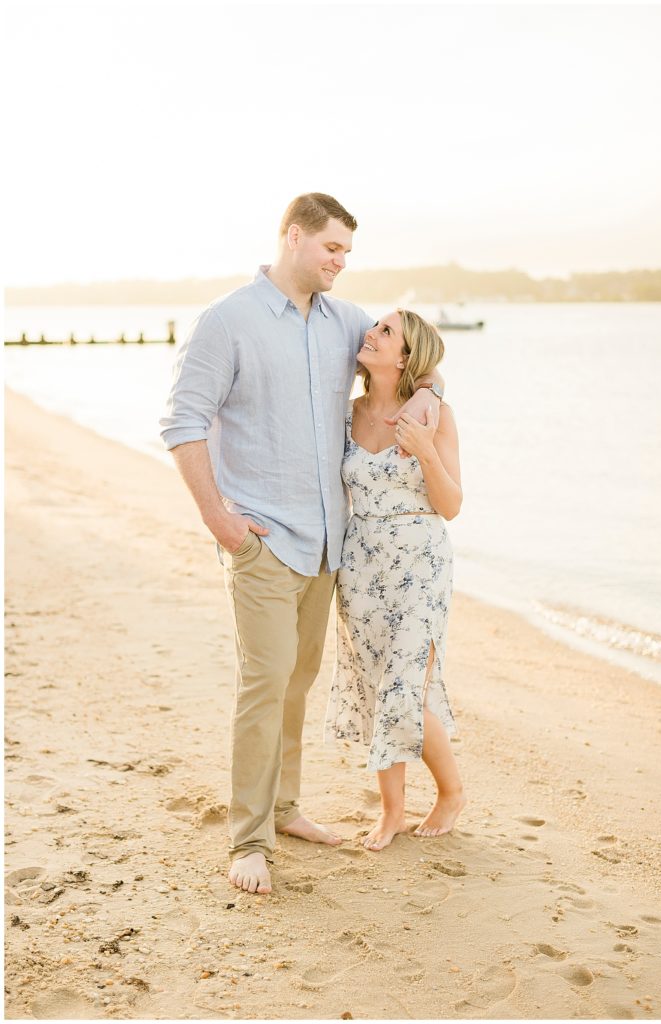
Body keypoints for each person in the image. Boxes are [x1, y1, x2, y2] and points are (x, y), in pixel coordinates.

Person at [159, 193, 442, 895]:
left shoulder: (346, 323)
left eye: (348, 252)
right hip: (259, 538)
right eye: (333, 248)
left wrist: (431, 394)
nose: (342, 263)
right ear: (295, 237)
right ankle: (248, 840)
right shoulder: (227, 322)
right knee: (264, 682)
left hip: (326, 545)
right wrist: (219, 519)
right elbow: (181, 424)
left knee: (297, 683)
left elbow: (409, 361)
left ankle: (285, 809)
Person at [325, 309, 466, 851]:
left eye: (386, 332)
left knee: (404, 687)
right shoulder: (346, 414)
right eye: (375, 326)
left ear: (407, 357)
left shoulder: (437, 415)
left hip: (420, 563)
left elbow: (451, 505)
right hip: (360, 562)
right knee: (377, 687)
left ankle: (441, 798)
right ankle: (397, 808)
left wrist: (426, 448)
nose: (371, 333)